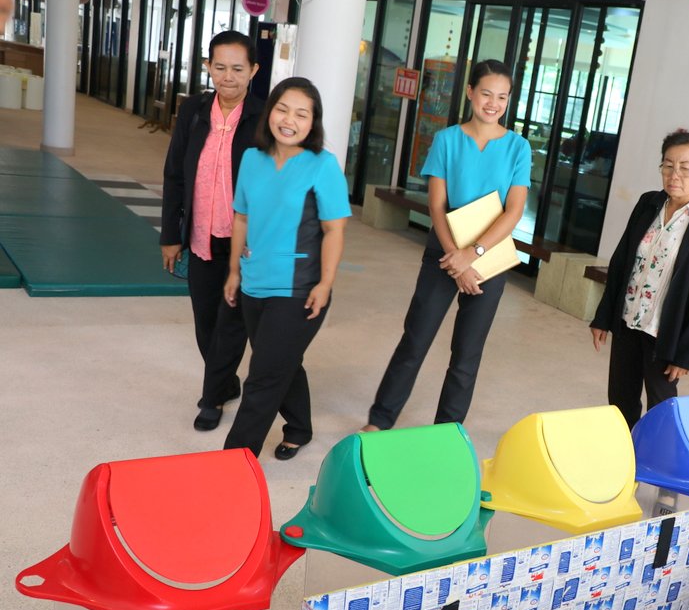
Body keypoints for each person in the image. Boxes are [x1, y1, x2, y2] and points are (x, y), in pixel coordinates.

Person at [362, 60, 531, 431]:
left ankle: (447, 432)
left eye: (502, 97)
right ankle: (380, 420)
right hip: (444, 247)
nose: (493, 103)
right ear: (470, 92)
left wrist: (473, 256)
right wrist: (456, 256)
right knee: (416, 338)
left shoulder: (519, 147)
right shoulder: (447, 140)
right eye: (486, 94)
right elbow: (437, 206)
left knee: (467, 353)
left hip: (489, 254)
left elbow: (514, 211)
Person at [222, 77, 350, 459]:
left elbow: (334, 230)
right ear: (270, 112)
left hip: (299, 289)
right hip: (254, 282)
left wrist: (326, 283)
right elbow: (241, 218)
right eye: (282, 109)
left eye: (301, 114)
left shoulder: (323, 166)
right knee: (281, 361)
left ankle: (232, 464)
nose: (289, 120)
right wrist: (234, 271)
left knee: (262, 377)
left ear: (313, 122)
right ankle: (299, 427)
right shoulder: (251, 158)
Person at [590, 129, 689, 429]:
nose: (674, 175)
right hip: (628, 320)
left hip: (664, 333)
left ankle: (656, 454)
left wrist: (686, 355)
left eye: (685, 168)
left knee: (661, 407)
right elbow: (621, 262)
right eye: (668, 165)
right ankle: (625, 454)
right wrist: (603, 316)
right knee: (620, 401)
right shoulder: (648, 204)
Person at [160, 31, 263, 432]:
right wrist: (171, 235)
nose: (228, 77)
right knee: (205, 323)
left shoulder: (264, 117)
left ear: (253, 70)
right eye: (219, 67)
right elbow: (174, 174)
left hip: (244, 241)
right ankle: (225, 382)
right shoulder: (194, 110)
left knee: (232, 324)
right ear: (207, 67)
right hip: (200, 234)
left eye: (238, 68)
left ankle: (212, 398)